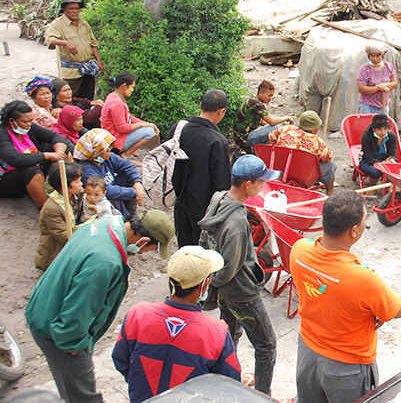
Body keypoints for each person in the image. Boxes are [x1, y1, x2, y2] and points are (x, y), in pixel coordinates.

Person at [25, 212, 173, 403]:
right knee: (83, 395)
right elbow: (79, 309)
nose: (145, 253)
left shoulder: (101, 226)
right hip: (58, 330)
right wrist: (74, 348)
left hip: (45, 306)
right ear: (143, 241)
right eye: (150, 249)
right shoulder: (105, 262)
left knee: (70, 388)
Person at [290, 191, 401, 403]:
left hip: (307, 352)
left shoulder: (299, 250)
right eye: (364, 220)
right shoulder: (362, 279)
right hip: (346, 368)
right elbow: (397, 309)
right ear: (354, 231)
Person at [112, 246, 241, 403]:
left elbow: (120, 359)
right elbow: (229, 384)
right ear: (205, 284)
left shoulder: (138, 314)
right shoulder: (216, 332)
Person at [198, 155, 280, 396]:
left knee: (229, 336)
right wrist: (215, 283)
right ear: (248, 184)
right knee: (266, 346)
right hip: (242, 293)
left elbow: (206, 241)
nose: (263, 185)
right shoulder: (236, 222)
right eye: (260, 181)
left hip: (225, 293)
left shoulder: (218, 198)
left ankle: (226, 380)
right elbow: (229, 269)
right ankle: (262, 396)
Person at [169, 89, 232, 247]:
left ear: (200, 106)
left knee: (184, 251)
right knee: (201, 257)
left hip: (179, 202)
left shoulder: (178, 129)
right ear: (221, 111)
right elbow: (222, 185)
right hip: (204, 211)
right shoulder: (217, 141)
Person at [0, 100, 70, 208]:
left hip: (35, 165)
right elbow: (13, 158)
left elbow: (54, 136)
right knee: (31, 170)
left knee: (60, 148)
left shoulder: (27, 126)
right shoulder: (2, 134)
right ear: (11, 121)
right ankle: (46, 207)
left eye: (30, 121)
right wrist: (47, 156)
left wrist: (59, 154)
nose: (29, 124)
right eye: (25, 122)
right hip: (8, 179)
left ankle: (59, 187)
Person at [44, 0, 104, 100]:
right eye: (71, 9)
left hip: (88, 69)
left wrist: (99, 62)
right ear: (64, 9)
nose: (75, 11)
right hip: (72, 72)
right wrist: (66, 42)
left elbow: (93, 44)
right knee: (70, 98)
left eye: (77, 8)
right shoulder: (57, 24)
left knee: (87, 99)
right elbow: (49, 40)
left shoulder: (84, 24)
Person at [74, 128, 144, 217]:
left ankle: (132, 214)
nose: (109, 151)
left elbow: (129, 165)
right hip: (99, 198)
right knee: (114, 197)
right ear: (95, 151)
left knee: (128, 177)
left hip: (110, 188)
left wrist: (137, 183)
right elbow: (107, 190)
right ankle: (127, 219)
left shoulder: (107, 157)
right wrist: (134, 193)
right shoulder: (86, 169)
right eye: (104, 149)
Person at [269, 110, 337, 196]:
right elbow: (327, 157)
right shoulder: (316, 141)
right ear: (313, 130)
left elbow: (271, 136)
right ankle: (330, 191)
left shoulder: (286, 129)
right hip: (303, 173)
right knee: (330, 165)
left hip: (282, 166)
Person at [35, 162, 83, 271]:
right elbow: (64, 236)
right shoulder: (52, 208)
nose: (81, 184)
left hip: (75, 239)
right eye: (77, 181)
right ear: (65, 185)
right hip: (56, 254)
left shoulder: (78, 194)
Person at [100, 71, 159, 160]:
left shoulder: (113, 96)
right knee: (150, 131)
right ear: (124, 86)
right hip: (114, 143)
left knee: (148, 127)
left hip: (113, 137)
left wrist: (146, 123)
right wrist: (141, 124)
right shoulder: (117, 103)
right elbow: (122, 128)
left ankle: (128, 150)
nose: (132, 90)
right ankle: (127, 154)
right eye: (132, 87)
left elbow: (128, 117)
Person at [232, 80, 294, 151]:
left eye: (272, 96)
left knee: (271, 131)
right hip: (244, 138)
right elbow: (272, 122)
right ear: (260, 93)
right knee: (277, 128)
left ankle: (262, 151)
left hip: (239, 136)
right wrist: (287, 118)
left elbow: (263, 122)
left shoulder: (252, 100)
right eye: (269, 95)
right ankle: (263, 152)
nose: (270, 99)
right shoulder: (257, 105)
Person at [357, 45, 398, 115]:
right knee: (368, 125)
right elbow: (361, 88)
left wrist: (384, 85)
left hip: (384, 106)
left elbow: (394, 82)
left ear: (382, 56)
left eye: (378, 55)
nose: (375, 58)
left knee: (382, 125)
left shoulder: (388, 66)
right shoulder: (364, 69)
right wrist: (377, 88)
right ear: (369, 57)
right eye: (372, 56)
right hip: (368, 106)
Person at [359, 113, 397, 186]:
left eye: (385, 129)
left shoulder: (391, 136)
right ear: (373, 129)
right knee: (375, 171)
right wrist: (383, 163)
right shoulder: (366, 137)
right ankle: (372, 187)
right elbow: (368, 159)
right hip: (367, 162)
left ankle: (387, 187)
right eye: (379, 129)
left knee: (393, 168)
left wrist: (391, 160)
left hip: (385, 160)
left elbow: (393, 154)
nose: (382, 132)